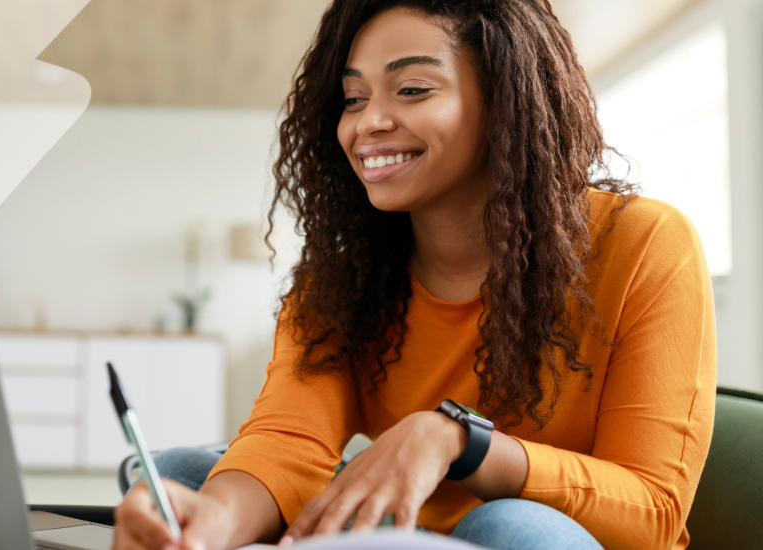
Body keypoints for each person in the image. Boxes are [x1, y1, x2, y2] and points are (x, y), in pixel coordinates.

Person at [112, 1, 716, 549]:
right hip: (404, 532)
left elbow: (654, 513)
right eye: (353, 99)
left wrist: (458, 442)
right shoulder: (342, 275)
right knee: (185, 478)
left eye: (412, 89)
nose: (368, 123)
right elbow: (287, 439)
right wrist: (211, 523)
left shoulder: (646, 244)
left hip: (546, 537)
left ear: (505, 98)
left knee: (506, 525)